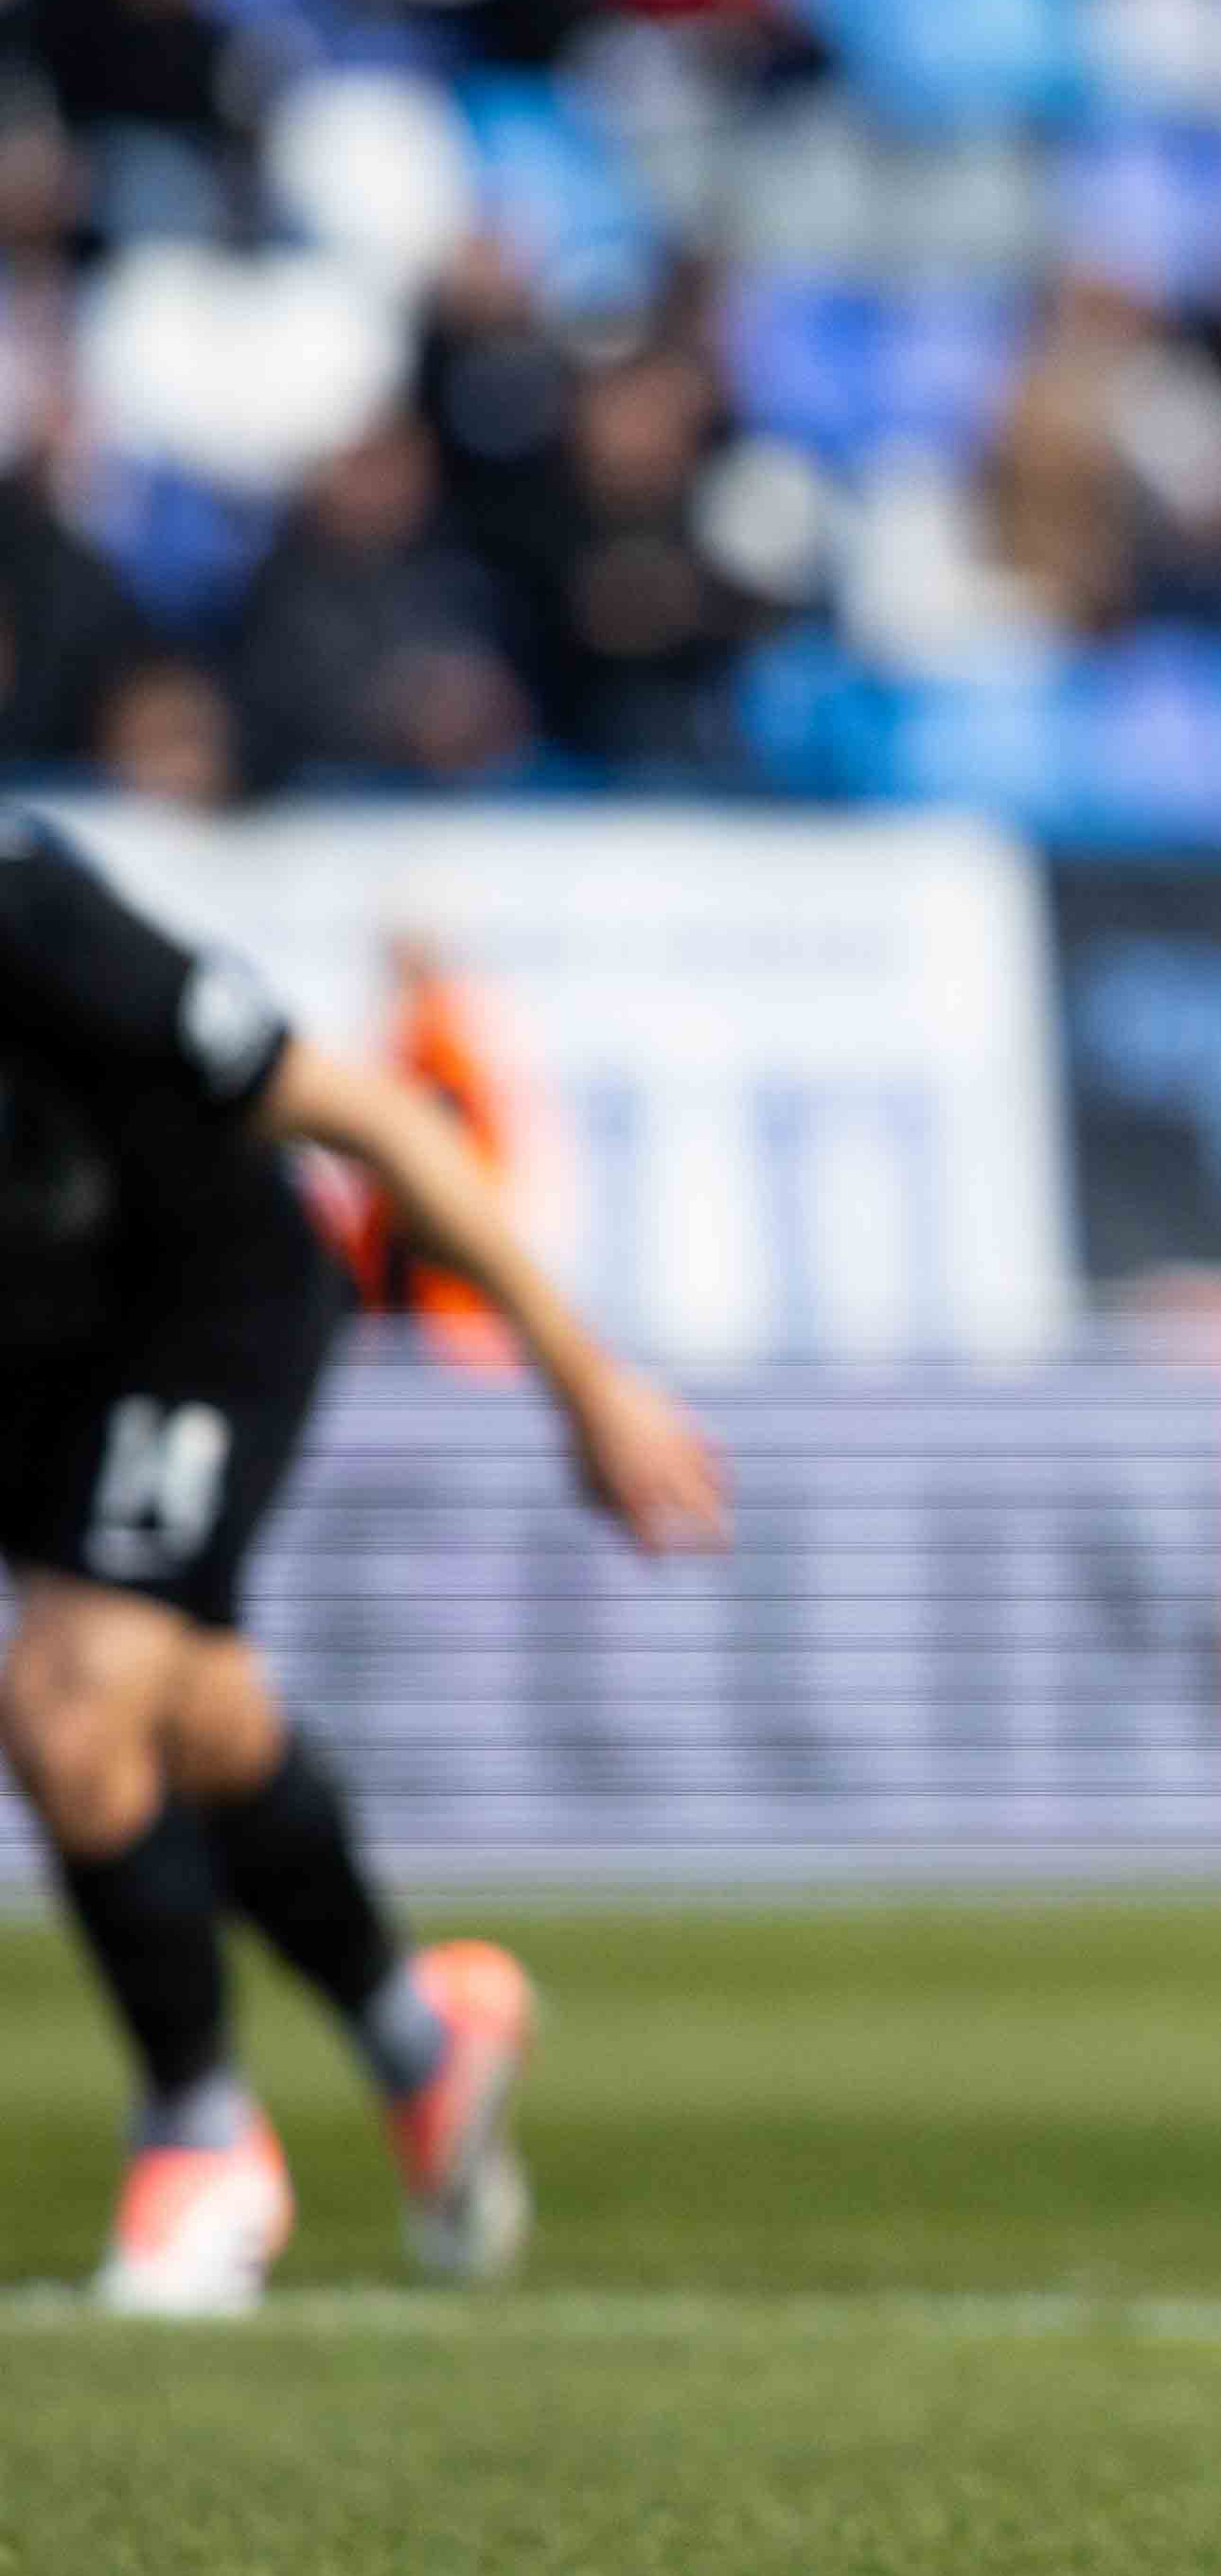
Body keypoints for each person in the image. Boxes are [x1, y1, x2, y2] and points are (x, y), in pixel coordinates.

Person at [3, 807, 729, 2318]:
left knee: (71, 1700)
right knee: (192, 1717)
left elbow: (382, 1121)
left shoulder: (43, 918)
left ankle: (201, 2138)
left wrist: (583, 1377)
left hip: (206, 1303)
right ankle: (420, 2036)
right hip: (35, 1345)